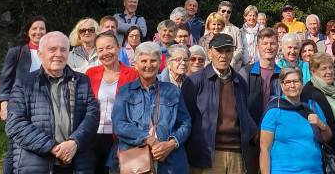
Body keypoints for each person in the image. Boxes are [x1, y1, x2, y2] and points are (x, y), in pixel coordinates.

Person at [6, 31, 100, 174]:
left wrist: (74, 142)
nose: (58, 54)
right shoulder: (23, 83)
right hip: (36, 163)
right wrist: (52, 148)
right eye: (52, 49)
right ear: (40, 54)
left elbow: (92, 116)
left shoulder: (82, 81)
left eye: (63, 49)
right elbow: (15, 124)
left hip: (76, 162)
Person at [111, 42, 191, 174]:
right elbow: (119, 124)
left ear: (160, 63)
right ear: (135, 65)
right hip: (135, 160)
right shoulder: (125, 91)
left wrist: (171, 144)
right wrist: (148, 139)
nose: (148, 65)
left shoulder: (172, 90)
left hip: (170, 161)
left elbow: (185, 123)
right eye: (144, 61)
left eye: (153, 60)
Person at [182, 34, 257, 174]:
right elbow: (186, 119)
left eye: (228, 51)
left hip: (237, 153)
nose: (224, 55)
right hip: (208, 154)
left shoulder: (240, 81)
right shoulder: (194, 81)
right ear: (210, 52)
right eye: (219, 51)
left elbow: (244, 114)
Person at [0, 16, 48, 174]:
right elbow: (5, 80)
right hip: (19, 106)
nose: (38, 32)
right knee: (14, 147)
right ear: (28, 31)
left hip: (43, 108)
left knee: (37, 144)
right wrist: (4, 103)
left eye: (42, 28)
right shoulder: (16, 52)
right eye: (34, 28)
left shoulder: (51, 52)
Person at [260, 67, 332, 174]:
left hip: (315, 170)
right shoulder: (274, 111)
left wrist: (321, 125)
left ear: (302, 84)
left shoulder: (312, 107)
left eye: (296, 81)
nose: (292, 86)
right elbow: (264, 149)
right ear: (282, 86)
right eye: (287, 82)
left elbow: (327, 138)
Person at [85, 32, 138, 174]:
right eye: (100, 50)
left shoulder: (133, 74)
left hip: (119, 137)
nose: (105, 53)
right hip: (92, 135)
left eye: (109, 47)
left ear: (118, 48)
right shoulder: (90, 73)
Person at [238, 28, 282, 174]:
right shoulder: (245, 72)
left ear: (278, 46)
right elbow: (240, 106)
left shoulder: (283, 75)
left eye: (272, 43)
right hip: (251, 139)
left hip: (276, 138)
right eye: (265, 43)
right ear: (258, 47)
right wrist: (254, 132)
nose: (269, 47)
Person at [301, 52, 335, 150]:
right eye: (323, 69)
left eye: (331, 67)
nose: (329, 72)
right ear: (313, 71)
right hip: (332, 148)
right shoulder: (310, 93)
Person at [218, 1, 244, 70]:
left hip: (232, 65)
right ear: (218, 12)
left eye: (228, 12)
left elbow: (240, 49)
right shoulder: (212, 28)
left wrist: (232, 60)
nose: (226, 13)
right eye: (223, 11)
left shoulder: (236, 30)